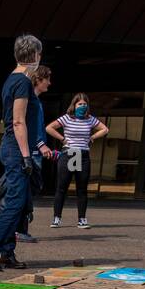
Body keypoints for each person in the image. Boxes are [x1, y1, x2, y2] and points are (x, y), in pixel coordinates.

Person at [0, 34, 43, 272]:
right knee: (14, 204)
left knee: (19, 203)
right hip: (16, 148)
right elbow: (18, 122)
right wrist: (27, 156)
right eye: (39, 54)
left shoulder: (13, 80)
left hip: (13, 147)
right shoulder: (22, 82)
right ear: (35, 55)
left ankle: (7, 254)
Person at [46, 94, 108, 229]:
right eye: (80, 104)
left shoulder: (90, 119)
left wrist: (92, 137)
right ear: (74, 105)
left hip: (83, 155)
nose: (83, 106)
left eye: (85, 104)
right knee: (62, 188)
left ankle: (82, 219)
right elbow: (49, 128)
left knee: (82, 189)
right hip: (69, 153)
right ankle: (56, 218)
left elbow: (105, 129)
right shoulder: (67, 118)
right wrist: (62, 139)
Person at [14, 65, 54, 243]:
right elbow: (29, 127)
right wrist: (41, 145)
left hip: (35, 150)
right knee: (26, 191)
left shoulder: (35, 101)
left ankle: (19, 227)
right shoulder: (32, 101)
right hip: (33, 151)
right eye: (47, 79)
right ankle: (17, 228)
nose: (49, 83)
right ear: (39, 80)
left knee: (29, 190)